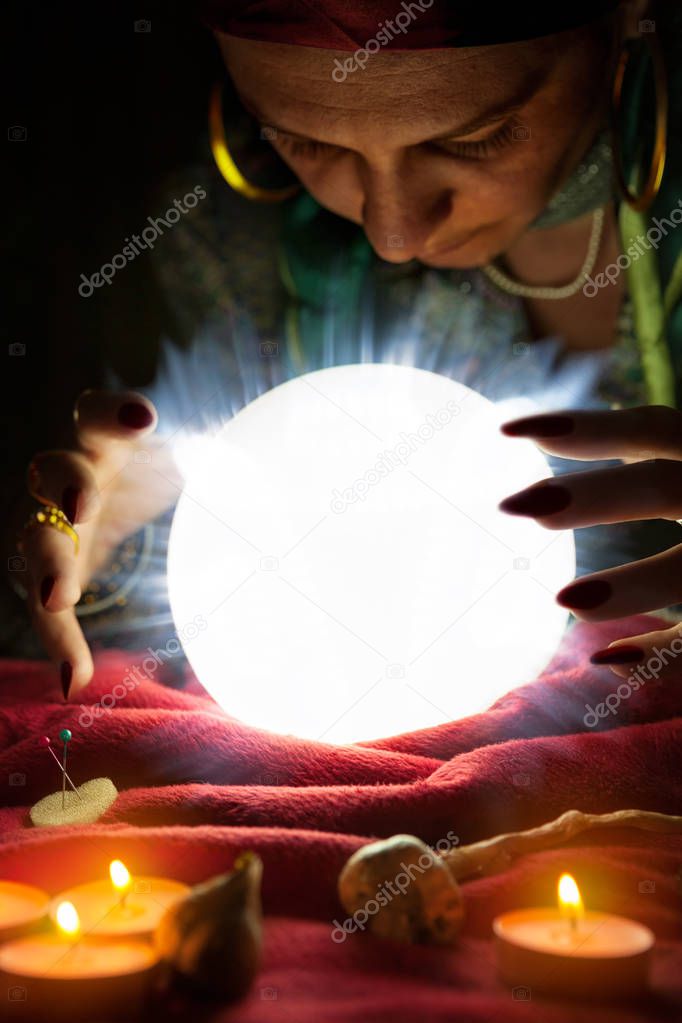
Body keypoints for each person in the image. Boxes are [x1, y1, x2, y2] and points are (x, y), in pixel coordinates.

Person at [13, 0, 682, 700]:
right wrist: (118, 558)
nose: (391, 229)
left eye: (475, 139)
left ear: (630, 19)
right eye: (307, 142)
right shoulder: (230, 249)